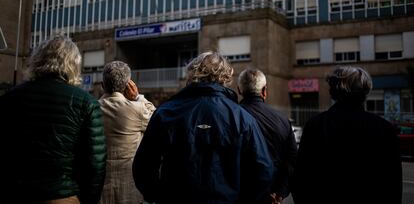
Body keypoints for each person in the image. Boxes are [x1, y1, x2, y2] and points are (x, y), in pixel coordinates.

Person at [132, 51, 274, 204]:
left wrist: (159, 196)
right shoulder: (243, 118)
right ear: (226, 77)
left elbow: (143, 166)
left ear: (193, 74)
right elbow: (264, 171)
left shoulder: (166, 112)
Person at [0, 35, 106, 204]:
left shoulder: (10, 97)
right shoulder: (86, 102)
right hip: (62, 195)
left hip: (16, 193)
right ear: (74, 64)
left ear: (37, 60)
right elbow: (95, 164)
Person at [292, 66, 402, 204]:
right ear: (366, 91)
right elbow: (393, 185)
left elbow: (301, 179)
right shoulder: (385, 129)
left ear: (333, 91)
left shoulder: (316, 125)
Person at [99, 61, 155, 204]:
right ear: (128, 86)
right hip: (130, 189)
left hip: (100, 189)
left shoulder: (91, 108)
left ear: (102, 85)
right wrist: (138, 97)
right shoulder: (138, 110)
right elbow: (157, 119)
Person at [238, 69, 297, 204]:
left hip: (240, 195)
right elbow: (292, 160)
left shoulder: (232, 117)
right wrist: (280, 192)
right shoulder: (282, 120)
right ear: (264, 91)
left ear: (239, 90)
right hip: (271, 196)